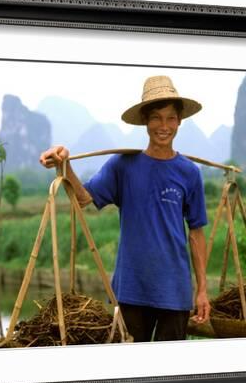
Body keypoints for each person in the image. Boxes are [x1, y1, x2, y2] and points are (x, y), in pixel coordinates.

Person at [39, 75, 211, 342]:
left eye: (170, 118)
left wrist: (202, 290)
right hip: (132, 291)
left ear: (179, 121)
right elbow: (84, 198)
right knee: (131, 370)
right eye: (155, 117)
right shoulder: (123, 165)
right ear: (145, 121)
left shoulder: (189, 173)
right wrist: (65, 164)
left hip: (174, 291)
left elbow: (196, 233)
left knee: (171, 373)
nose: (163, 126)